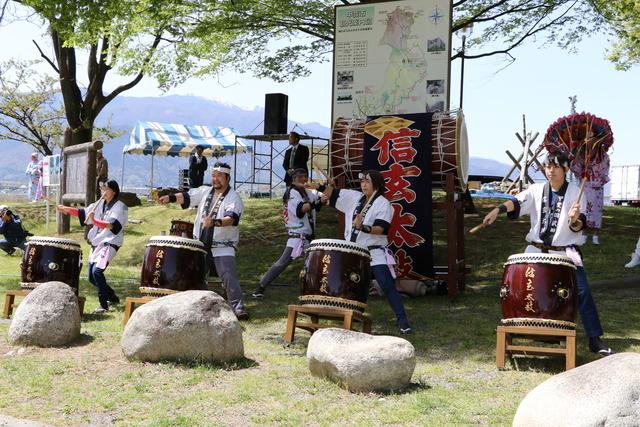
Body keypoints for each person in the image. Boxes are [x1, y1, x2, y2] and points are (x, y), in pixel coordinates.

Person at [482, 152, 614, 356]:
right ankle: (515, 332)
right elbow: (516, 203)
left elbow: (579, 226)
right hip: (536, 251)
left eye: (556, 166)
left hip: (564, 253)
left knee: (583, 291)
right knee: (522, 291)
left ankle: (594, 339)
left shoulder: (575, 193)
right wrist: (497, 210)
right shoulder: (536, 190)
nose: (550, 170)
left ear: (566, 169)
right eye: (547, 166)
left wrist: (574, 218)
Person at [318, 170, 412, 335]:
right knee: (350, 286)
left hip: (374, 252)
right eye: (362, 181)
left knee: (386, 284)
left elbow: (381, 229)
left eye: (367, 181)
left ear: (376, 184)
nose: (363, 184)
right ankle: (348, 319)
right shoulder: (353, 198)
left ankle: (403, 320)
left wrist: (363, 227)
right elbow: (330, 193)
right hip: (354, 251)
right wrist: (319, 186)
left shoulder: (383, 204)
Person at [158, 162, 249, 320]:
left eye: (220, 176)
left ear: (227, 178)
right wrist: (170, 197)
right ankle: (193, 307)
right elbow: (186, 197)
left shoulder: (233, 197)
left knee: (228, 276)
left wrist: (215, 222)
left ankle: (238, 307)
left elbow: (232, 218)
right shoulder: (205, 192)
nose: (216, 179)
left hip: (223, 244)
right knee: (195, 275)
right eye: (213, 175)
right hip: (201, 244)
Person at [57, 180, 127, 314]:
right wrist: (66, 209)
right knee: (91, 277)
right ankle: (112, 296)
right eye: (101, 188)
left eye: (105, 188)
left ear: (113, 191)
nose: (103, 191)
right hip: (97, 242)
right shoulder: (99, 203)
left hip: (110, 242)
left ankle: (103, 305)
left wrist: (94, 220)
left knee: (97, 272)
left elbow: (112, 226)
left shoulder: (120, 207)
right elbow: (82, 213)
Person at [252, 168, 323, 298]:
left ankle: (315, 291)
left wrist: (325, 188)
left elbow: (320, 201)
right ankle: (260, 288)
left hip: (309, 237)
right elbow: (302, 209)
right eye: (300, 176)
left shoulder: (306, 191)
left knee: (316, 264)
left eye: (305, 176)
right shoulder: (292, 193)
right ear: (294, 179)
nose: (304, 179)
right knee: (282, 263)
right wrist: (317, 201)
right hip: (297, 236)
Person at [582, 153, 609, 245]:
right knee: (584, 210)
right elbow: (576, 168)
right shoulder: (583, 153)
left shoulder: (603, 156)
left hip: (597, 187)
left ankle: (595, 235)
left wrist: (593, 167)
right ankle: (583, 235)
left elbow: (604, 170)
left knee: (597, 211)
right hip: (586, 186)